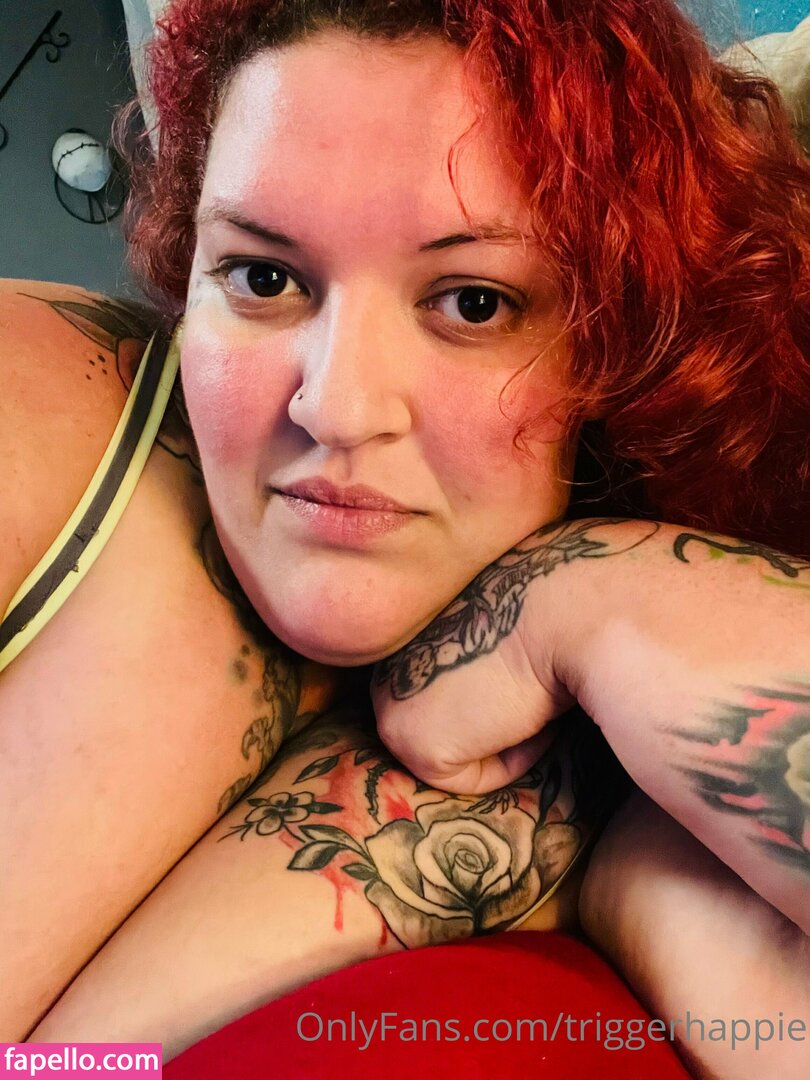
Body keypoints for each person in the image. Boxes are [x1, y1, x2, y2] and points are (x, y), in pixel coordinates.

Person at [2, 0, 809, 1074]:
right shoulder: (55, 413)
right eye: (262, 278)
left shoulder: (641, 798)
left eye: (473, 303)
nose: (337, 408)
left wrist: (597, 602)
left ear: (618, 346)